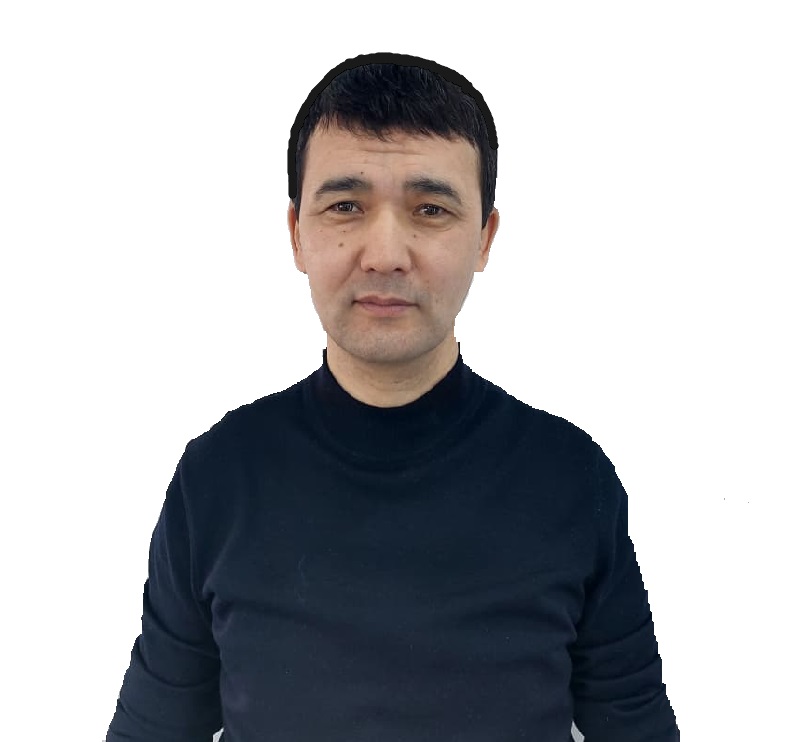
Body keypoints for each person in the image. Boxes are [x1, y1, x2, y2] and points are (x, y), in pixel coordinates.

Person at [106, 52, 679, 742]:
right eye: (345, 206)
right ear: (297, 234)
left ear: (484, 238)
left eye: (430, 209)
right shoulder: (219, 477)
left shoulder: (569, 476)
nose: (385, 254)